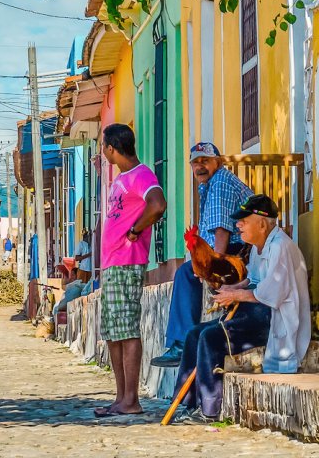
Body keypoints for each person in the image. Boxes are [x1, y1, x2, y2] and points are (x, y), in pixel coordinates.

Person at [174, 194, 310, 422]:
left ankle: (209, 410)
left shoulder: (280, 247)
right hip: (257, 312)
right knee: (194, 334)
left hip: (274, 318)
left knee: (211, 338)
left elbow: (271, 294)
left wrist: (236, 294)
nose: (238, 226)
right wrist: (232, 289)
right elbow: (254, 280)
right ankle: (186, 402)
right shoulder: (258, 248)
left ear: (262, 223)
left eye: (243, 221)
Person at [152, 141, 254, 367]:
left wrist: (211, 268)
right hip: (231, 250)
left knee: (185, 274)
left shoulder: (220, 184)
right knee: (189, 271)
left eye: (205, 161)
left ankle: (181, 343)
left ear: (217, 162)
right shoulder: (209, 184)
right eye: (195, 163)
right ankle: (184, 341)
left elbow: (221, 231)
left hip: (237, 252)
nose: (200, 167)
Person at [95, 123, 166, 418]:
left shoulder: (141, 175)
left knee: (126, 329)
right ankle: (121, 397)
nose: (103, 151)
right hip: (113, 264)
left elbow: (158, 205)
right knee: (113, 332)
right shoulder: (121, 179)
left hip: (127, 262)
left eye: (103, 145)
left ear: (112, 148)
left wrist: (135, 230)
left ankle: (131, 399)